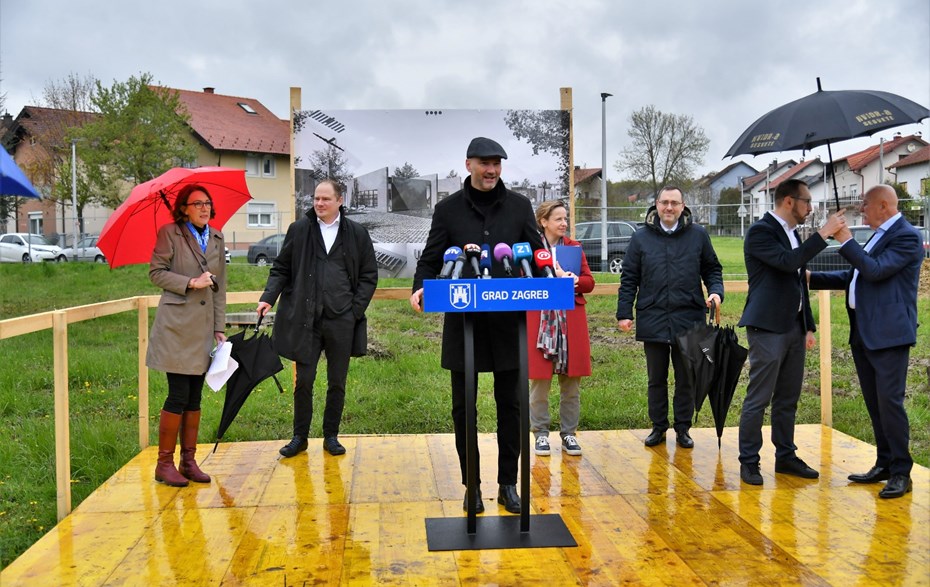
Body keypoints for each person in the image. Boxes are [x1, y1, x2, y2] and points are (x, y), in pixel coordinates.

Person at [409, 137, 545, 514]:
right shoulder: (448, 209)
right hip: (464, 325)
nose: (492, 170)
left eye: (497, 164)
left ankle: (507, 484)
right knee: (463, 409)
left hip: (508, 325)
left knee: (511, 406)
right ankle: (471, 486)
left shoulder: (520, 206)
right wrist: (419, 287)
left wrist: (553, 272)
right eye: (485, 163)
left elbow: (536, 254)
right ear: (468, 164)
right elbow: (431, 258)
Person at [809, 185, 923, 499]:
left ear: (884, 205)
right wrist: (810, 278)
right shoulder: (878, 234)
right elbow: (854, 276)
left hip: (889, 334)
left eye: (866, 203)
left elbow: (874, 271)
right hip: (864, 332)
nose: (862, 208)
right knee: (875, 404)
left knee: (890, 404)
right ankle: (884, 463)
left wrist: (845, 239)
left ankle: (901, 472)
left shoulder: (906, 236)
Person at [257, 180, 377, 459]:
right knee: (304, 381)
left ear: (339, 201)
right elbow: (281, 268)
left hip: (341, 321)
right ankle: (299, 437)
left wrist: (354, 311)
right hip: (306, 320)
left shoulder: (356, 233)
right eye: (316, 198)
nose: (319, 203)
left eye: (325, 199)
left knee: (337, 381)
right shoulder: (299, 230)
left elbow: (370, 275)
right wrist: (267, 296)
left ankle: (331, 436)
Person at [737, 179, 846, 486]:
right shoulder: (761, 232)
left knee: (788, 398)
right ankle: (749, 462)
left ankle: (785, 456)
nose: (810, 208)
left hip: (793, 328)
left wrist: (808, 325)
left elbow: (798, 280)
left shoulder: (793, 234)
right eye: (807, 201)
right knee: (759, 398)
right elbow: (787, 264)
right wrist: (823, 233)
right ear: (788, 201)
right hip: (767, 327)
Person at [616, 186, 724, 449]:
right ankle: (658, 427)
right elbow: (629, 276)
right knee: (656, 378)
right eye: (664, 202)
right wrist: (624, 313)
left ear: (683, 206)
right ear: (656, 204)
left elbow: (712, 269)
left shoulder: (698, 235)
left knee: (687, 377)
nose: (669, 208)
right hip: (652, 315)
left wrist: (716, 292)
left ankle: (683, 428)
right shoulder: (641, 238)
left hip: (689, 316)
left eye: (674, 203)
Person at [147, 184, 227, 487]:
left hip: (204, 328)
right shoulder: (170, 233)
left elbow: (221, 287)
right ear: (183, 208)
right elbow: (156, 272)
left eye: (207, 203)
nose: (204, 208)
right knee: (178, 394)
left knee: (195, 397)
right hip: (176, 327)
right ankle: (163, 463)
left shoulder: (217, 237)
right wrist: (190, 282)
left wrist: (219, 326)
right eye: (197, 204)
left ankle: (189, 461)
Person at [527, 200, 595, 457]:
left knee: (571, 384)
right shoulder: (531, 249)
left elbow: (589, 282)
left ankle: (569, 434)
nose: (564, 223)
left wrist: (576, 280)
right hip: (541, 322)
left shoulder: (574, 248)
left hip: (570, 322)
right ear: (543, 222)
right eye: (558, 219)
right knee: (540, 383)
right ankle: (540, 434)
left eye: (565, 218)